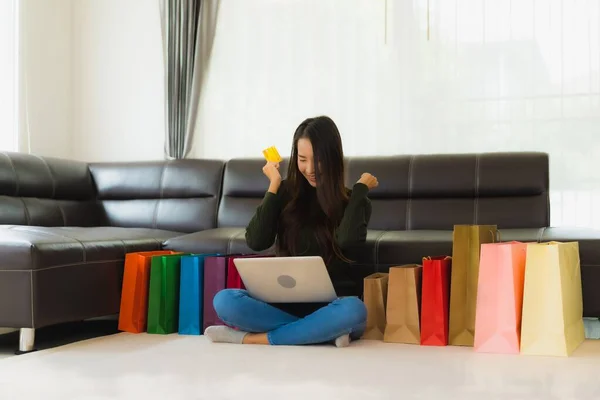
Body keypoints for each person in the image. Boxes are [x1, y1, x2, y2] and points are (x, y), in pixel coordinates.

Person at [204, 116, 378, 347]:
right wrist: (274, 184)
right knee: (224, 300)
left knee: (354, 310)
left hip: (333, 306)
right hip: (283, 304)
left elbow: (347, 242)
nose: (310, 169)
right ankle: (319, 331)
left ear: (333, 158)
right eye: (303, 159)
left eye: (318, 160)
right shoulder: (286, 192)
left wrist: (360, 190)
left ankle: (254, 339)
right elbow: (256, 240)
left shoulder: (354, 201)